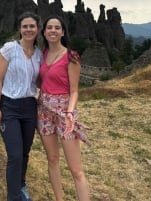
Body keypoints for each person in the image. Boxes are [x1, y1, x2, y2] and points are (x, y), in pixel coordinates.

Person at [37, 15, 91, 201]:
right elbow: (40, 82)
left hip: (65, 112)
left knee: (76, 169)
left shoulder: (71, 57)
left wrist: (69, 113)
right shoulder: (42, 55)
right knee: (52, 160)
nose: (53, 30)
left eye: (57, 27)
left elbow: (75, 91)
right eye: (49, 27)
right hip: (44, 112)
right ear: (44, 32)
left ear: (62, 32)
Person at [0, 12, 42, 201]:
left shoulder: (38, 54)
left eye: (32, 26)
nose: (28, 29)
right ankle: (13, 197)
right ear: (20, 29)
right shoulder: (9, 49)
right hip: (9, 106)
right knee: (14, 155)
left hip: (29, 106)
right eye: (25, 26)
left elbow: (38, 82)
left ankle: (20, 185)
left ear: (37, 29)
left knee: (24, 153)